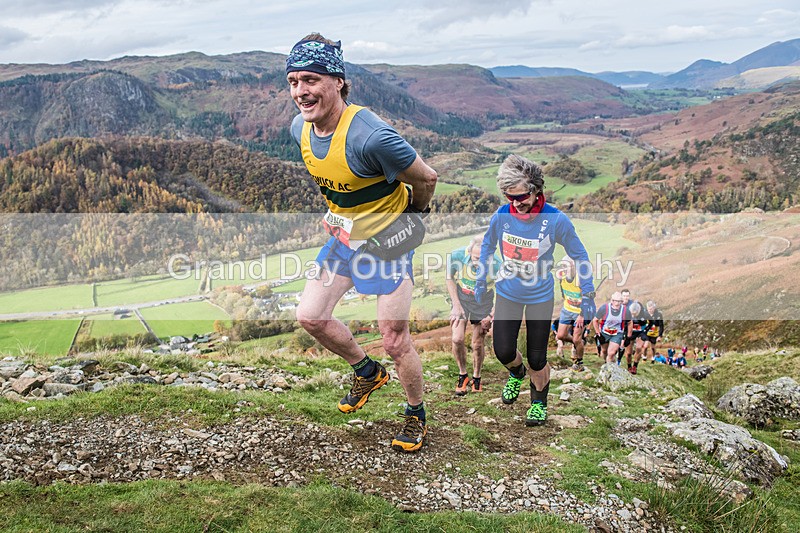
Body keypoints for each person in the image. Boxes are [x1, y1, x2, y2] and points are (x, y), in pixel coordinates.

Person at [288, 33, 437, 452]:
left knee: (394, 338)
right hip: (343, 240)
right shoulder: (299, 126)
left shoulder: (371, 136)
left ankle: (415, 414)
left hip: (389, 241)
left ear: (337, 81)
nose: (301, 91)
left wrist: (415, 215)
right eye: (294, 81)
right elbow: (338, 180)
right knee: (311, 316)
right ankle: (366, 371)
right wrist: (341, 210)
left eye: (312, 79)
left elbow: (426, 178)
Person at [474, 154, 595, 427]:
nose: (516, 204)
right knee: (504, 351)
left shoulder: (556, 220)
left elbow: (580, 254)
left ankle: (539, 403)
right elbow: (487, 245)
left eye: (521, 197)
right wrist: (482, 279)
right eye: (509, 197)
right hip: (508, 292)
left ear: (536, 188)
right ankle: (516, 374)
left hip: (540, 295)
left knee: (537, 358)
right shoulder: (501, 216)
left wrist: (587, 293)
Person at [446, 234, 500, 395]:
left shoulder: (498, 264)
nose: (479, 262)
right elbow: (449, 278)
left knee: (477, 343)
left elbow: (505, 291)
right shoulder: (457, 255)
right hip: (462, 297)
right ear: (469, 252)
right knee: (457, 338)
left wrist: (491, 315)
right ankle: (463, 374)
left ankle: (477, 377)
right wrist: (455, 304)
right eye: (476, 257)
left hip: (483, 301)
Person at [555, 256, 587, 372]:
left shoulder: (580, 279)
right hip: (567, 309)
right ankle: (579, 343)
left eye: (568, 265)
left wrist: (581, 315)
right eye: (563, 265)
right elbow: (563, 292)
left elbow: (587, 298)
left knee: (577, 339)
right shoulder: (561, 277)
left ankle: (579, 362)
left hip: (579, 312)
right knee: (561, 336)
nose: (565, 268)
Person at [592, 292, 632, 365]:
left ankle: (609, 370)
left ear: (621, 302)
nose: (617, 303)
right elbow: (595, 320)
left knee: (611, 353)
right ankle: (611, 364)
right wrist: (598, 334)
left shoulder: (625, 310)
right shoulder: (604, 308)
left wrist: (628, 337)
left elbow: (630, 323)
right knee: (604, 352)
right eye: (615, 301)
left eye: (619, 301)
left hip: (617, 333)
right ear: (612, 301)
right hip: (604, 332)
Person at [625, 301, 648, 374]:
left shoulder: (644, 314)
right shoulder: (627, 314)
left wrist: (645, 331)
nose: (633, 316)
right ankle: (629, 366)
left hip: (640, 332)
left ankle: (635, 366)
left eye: (635, 314)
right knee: (629, 352)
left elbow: (651, 323)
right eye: (632, 314)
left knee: (638, 348)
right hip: (631, 332)